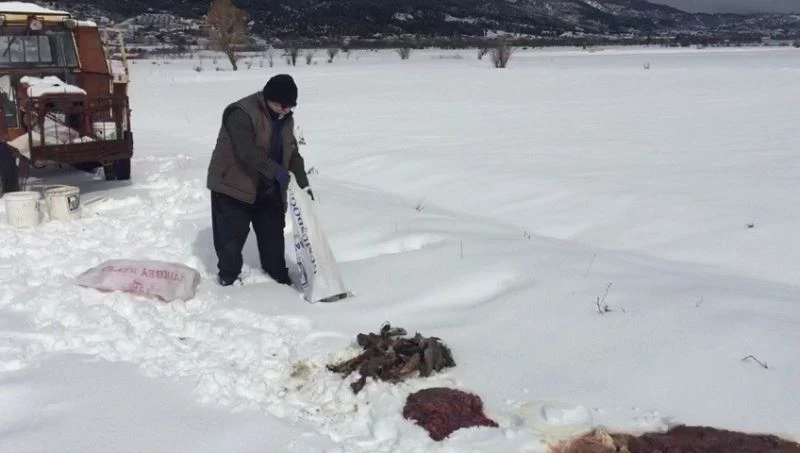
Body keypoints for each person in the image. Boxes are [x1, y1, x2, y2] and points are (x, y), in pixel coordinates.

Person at [206, 74, 313, 286]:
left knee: (273, 234)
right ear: (269, 98)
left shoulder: (284, 118)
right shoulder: (240, 113)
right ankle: (228, 279)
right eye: (283, 105)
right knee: (231, 238)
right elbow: (248, 152)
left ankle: (277, 275)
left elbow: (291, 152)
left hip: (267, 186)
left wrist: (303, 183)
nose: (287, 110)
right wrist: (277, 172)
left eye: (291, 107)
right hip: (233, 184)